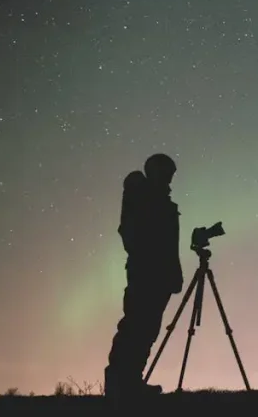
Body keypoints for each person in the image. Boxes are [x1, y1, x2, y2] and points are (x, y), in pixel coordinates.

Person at [105, 153, 184, 399]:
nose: (170, 180)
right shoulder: (143, 197)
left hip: (159, 275)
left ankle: (132, 381)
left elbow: (170, 244)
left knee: (148, 329)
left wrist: (173, 273)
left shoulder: (160, 201)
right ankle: (121, 383)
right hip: (145, 273)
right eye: (167, 174)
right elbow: (132, 233)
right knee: (136, 326)